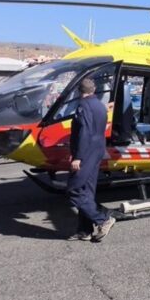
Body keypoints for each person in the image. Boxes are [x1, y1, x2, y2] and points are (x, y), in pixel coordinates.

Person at [67, 78, 115, 242]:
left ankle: (103, 219)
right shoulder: (100, 106)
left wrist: (77, 156)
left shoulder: (84, 105)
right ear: (94, 89)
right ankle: (84, 230)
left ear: (79, 91)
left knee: (74, 189)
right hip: (96, 152)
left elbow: (85, 132)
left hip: (85, 154)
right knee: (87, 192)